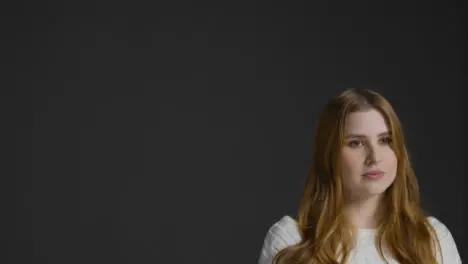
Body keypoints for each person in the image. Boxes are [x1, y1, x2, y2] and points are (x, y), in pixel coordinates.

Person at [258, 89, 462, 264]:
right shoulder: (291, 239)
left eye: (385, 140)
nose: (374, 157)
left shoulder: (432, 237)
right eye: (356, 143)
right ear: (330, 154)